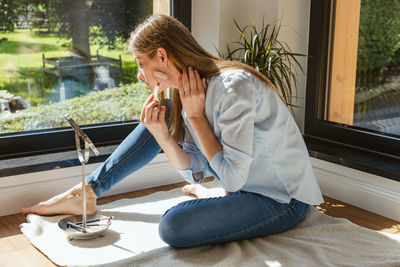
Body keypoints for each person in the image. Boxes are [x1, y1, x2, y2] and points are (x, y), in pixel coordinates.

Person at [21, 14, 324, 248]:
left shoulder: (233, 87)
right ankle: (86, 191)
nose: (140, 75)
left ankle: (87, 191)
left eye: (142, 64)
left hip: (281, 200)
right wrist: (162, 136)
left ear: (163, 57)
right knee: (160, 123)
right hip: (241, 184)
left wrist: (197, 118)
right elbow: (196, 169)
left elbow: (231, 177)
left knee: (173, 225)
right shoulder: (186, 90)